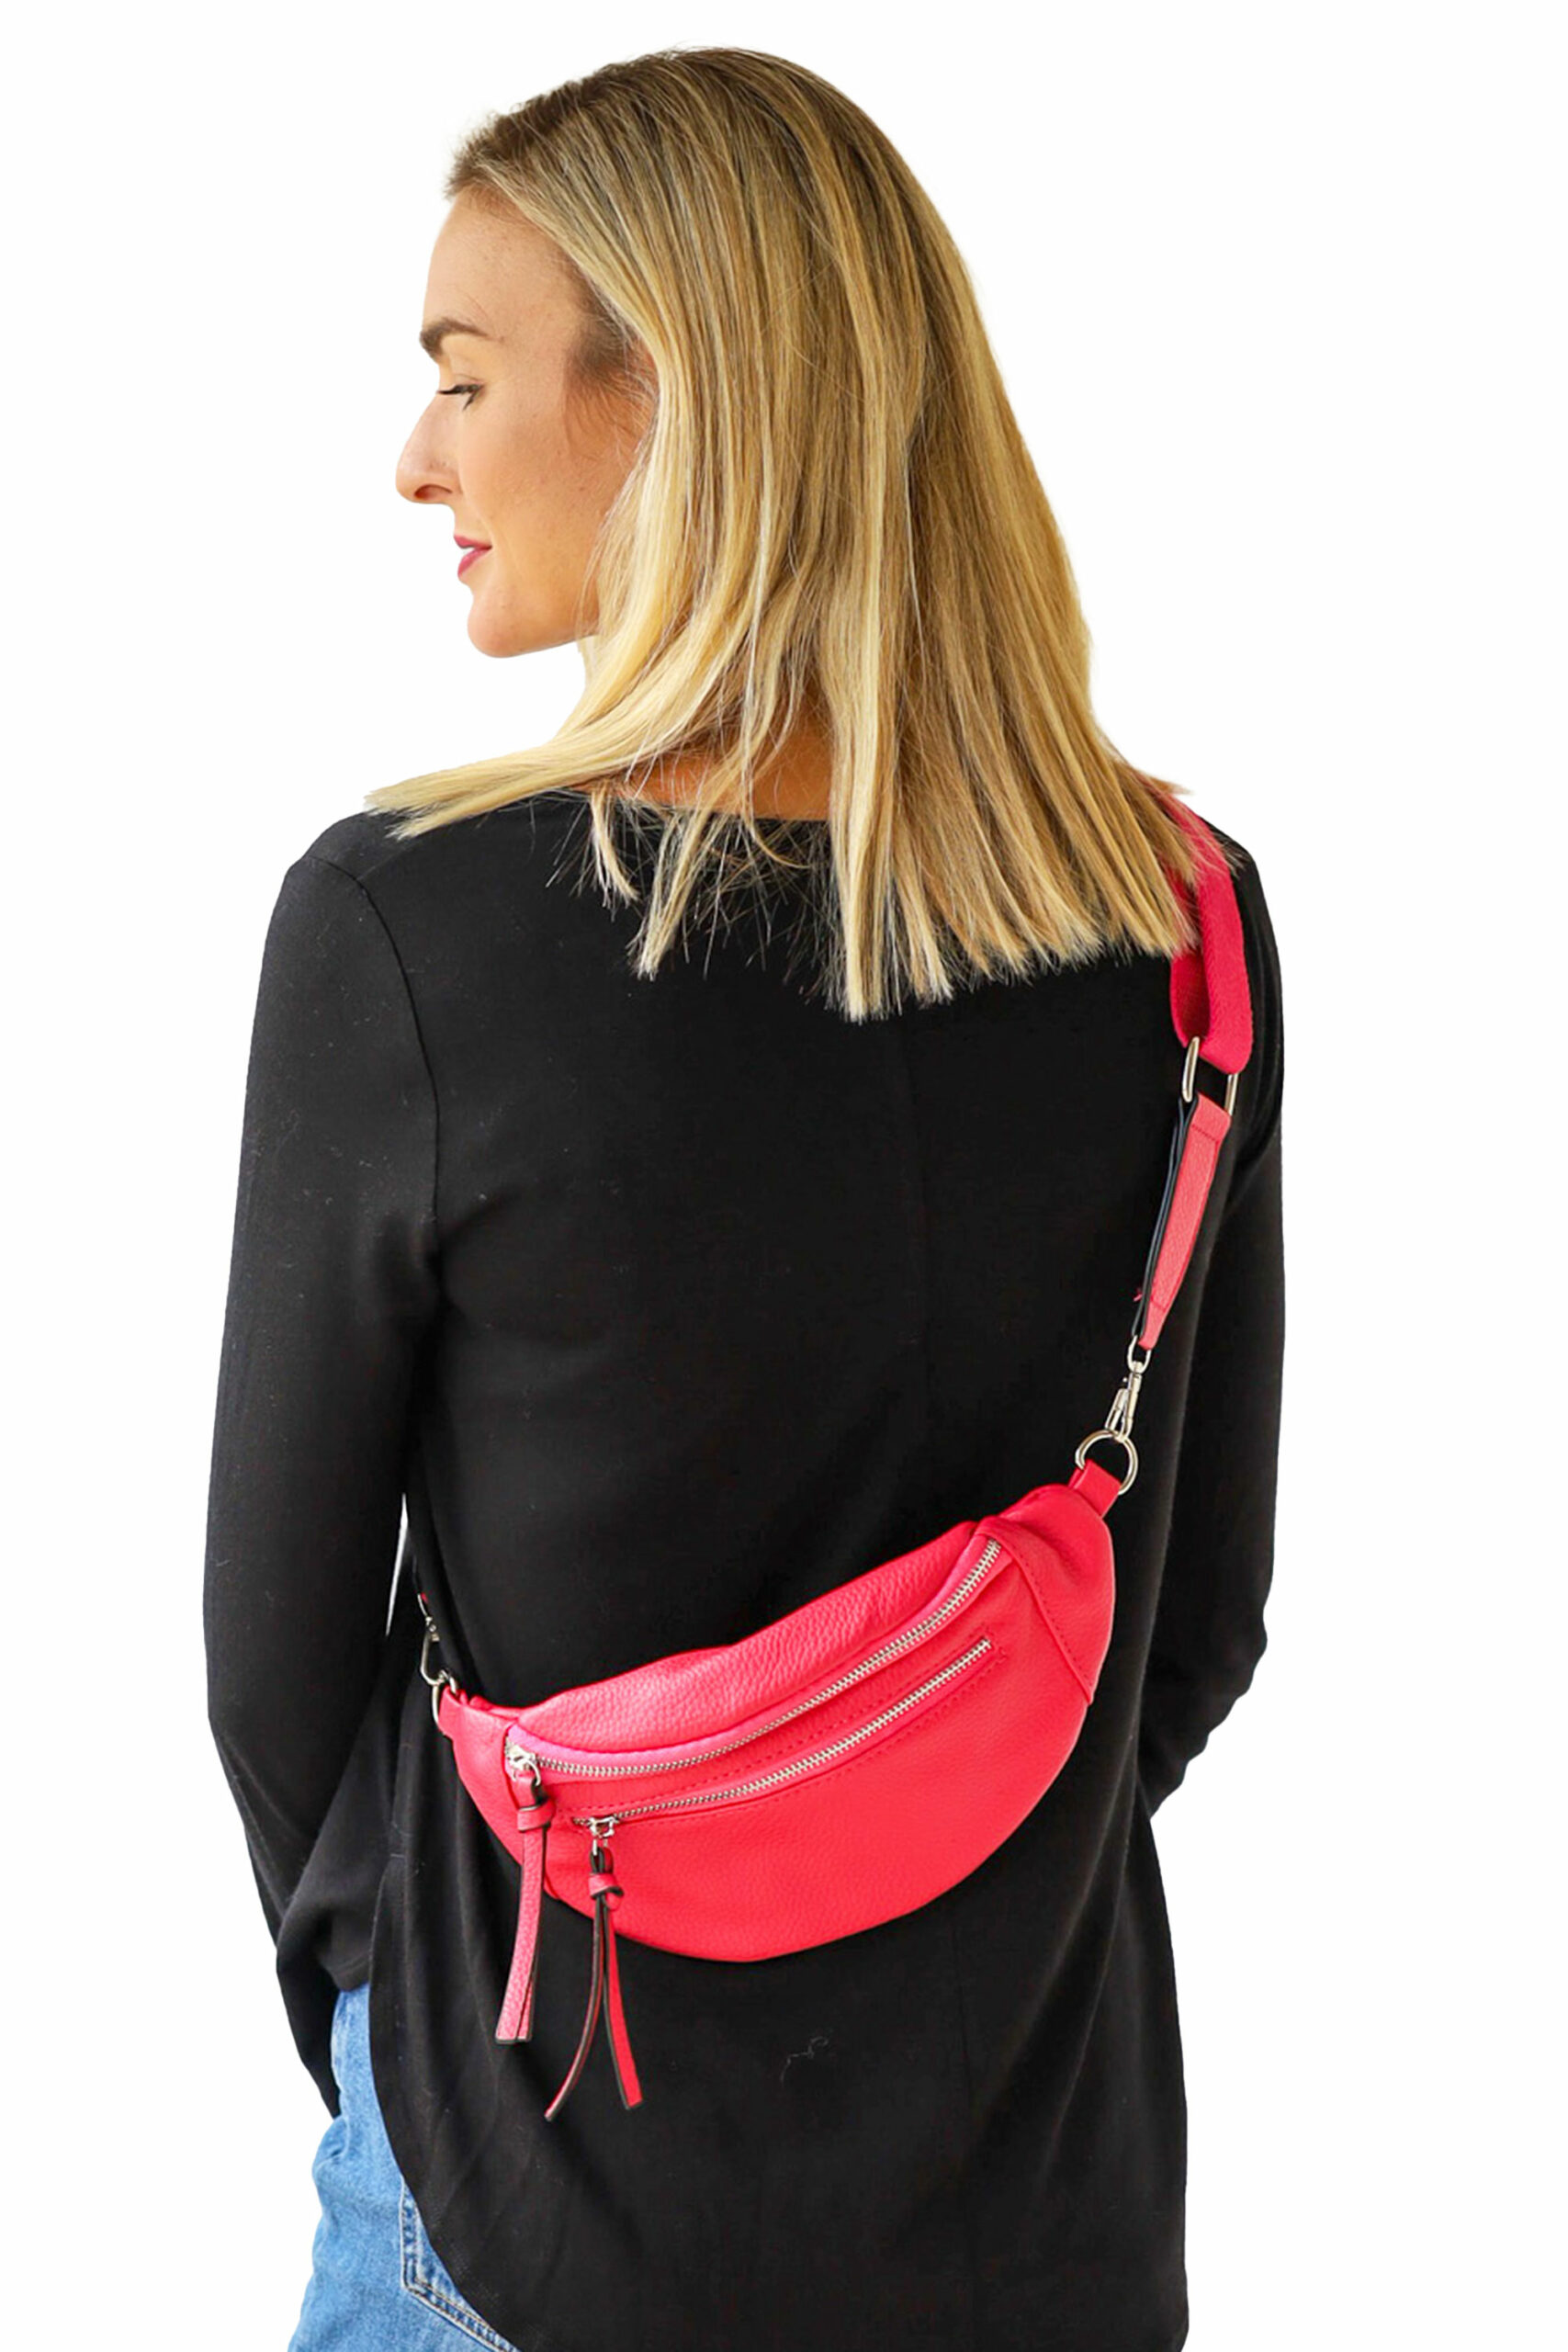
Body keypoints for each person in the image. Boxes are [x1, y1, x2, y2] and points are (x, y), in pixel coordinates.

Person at [203, 46, 1285, 2352]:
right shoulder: (1183, 925)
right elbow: (1180, 1626)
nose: (415, 459)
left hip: (525, 2222)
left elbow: (278, 1663)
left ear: (667, 403)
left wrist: (411, 2042)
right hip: (1043, 2231)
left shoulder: (412, 931)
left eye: (464, 376)